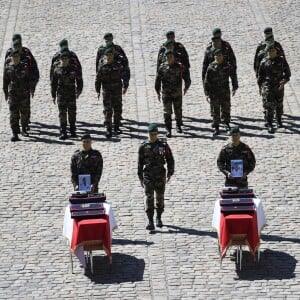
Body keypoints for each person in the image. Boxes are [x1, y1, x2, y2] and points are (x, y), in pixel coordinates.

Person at [138, 123, 175, 230]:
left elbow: (170, 159)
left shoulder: (163, 145)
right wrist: (140, 177)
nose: (153, 136)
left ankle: (159, 217)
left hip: (160, 174)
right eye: (151, 134)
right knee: (149, 198)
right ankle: (150, 221)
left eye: (155, 134)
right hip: (148, 175)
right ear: (148, 134)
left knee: (160, 197)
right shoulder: (143, 146)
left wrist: (170, 172)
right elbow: (140, 163)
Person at [5, 34, 39, 131]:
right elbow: (6, 70)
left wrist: (32, 85)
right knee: (14, 111)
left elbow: (34, 70)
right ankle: (16, 130)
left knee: (25, 109)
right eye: (15, 45)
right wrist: (5, 89)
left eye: (18, 45)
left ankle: (25, 123)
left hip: (25, 86)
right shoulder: (9, 54)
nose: (17, 47)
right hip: (13, 88)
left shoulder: (27, 54)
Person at [95, 47, 130, 138]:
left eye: (110, 55)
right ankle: (109, 129)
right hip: (106, 90)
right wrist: (98, 90)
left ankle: (117, 127)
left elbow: (124, 75)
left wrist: (125, 85)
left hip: (117, 90)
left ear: (113, 55)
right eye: (107, 55)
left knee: (117, 108)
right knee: (108, 110)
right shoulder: (102, 66)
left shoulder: (118, 65)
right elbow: (98, 78)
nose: (109, 57)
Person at [155, 49, 191, 137]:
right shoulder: (162, 67)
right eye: (167, 57)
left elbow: (186, 76)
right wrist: (157, 91)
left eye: (171, 57)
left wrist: (186, 86)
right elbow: (158, 80)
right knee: (167, 112)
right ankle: (168, 129)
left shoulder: (179, 66)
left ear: (174, 57)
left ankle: (178, 125)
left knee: (178, 110)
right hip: (166, 93)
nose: (169, 58)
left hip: (177, 93)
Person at [257, 44, 291, 133]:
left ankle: (279, 120)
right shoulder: (264, 62)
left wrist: (284, 81)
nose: (271, 53)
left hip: (279, 85)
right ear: (267, 52)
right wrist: (260, 87)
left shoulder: (282, 61)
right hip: (268, 85)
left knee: (279, 103)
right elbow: (260, 76)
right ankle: (269, 123)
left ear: (276, 51)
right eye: (269, 51)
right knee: (269, 104)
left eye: (273, 51)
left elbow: (287, 74)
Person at [204, 48, 238, 136]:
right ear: (214, 57)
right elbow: (207, 81)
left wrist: (235, 87)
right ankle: (216, 126)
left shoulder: (227, 66)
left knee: (226, 107)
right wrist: (207, 94)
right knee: (215, 110)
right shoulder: (211, 67)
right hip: (214, 92)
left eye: (220, 55)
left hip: (224, 91)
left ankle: (226, 123)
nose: (219, 57)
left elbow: (233, 76)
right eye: (217, 56)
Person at [51, 49, 83, 139]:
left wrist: (79, 89)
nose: (64, 60)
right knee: (62, 113)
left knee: (72, 112)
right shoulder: (57, 69)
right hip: (61, 94)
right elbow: (53, 82)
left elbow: (79, 79)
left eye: (66, 59)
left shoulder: (73, 68)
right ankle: (63, 131)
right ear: (60, 59)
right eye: (63, 59)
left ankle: (72, 129)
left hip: (71, 93)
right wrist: (53, 94)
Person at [3, 49, 32, 141]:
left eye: (17, 57)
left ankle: (24, 128)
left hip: (24, 93)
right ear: (11, 58)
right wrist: (5, 92)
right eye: (14, 57)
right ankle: (15, 133)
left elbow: (30, 79)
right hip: (13, 94)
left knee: (24, 112)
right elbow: (5, 80)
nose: (16, 58)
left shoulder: (24, 67)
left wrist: (31, 89)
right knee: (13, 114)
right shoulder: (8, 67)